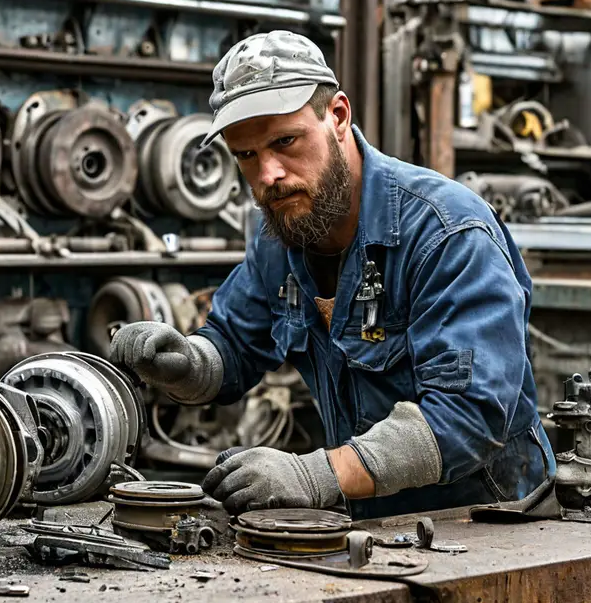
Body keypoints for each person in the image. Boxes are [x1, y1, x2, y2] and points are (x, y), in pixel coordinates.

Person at [110, 30, 556, 519]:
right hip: (375, 523)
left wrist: (314, 475)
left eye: (284, 141)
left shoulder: (447, 232)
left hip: (493, 524)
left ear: (338, 116)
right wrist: (185, 363)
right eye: (246, 155)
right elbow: (236, 343)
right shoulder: (281, 233)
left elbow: (468, 417)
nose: (268, 175)